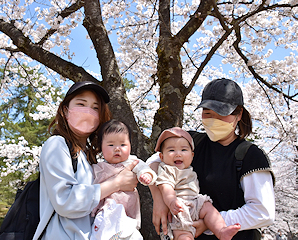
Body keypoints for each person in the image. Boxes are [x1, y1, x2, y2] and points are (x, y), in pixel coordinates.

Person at [147, 78, 275, 240]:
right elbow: (151, 163)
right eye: (208, 113)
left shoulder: (251, 155)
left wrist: (210, 223)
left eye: (221, 114)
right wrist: (159, 199)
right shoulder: (190, 142)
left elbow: (262, 212)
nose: (214, 120)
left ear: (239, 113)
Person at [32, 81, 139, 240]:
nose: (88, 111)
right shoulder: (57, 144)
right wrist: (117, 183)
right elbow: (65, 201)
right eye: (81, 104)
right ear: (65, 110)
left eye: (95, 108)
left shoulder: (89, 157)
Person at [154, 127, 240, 240]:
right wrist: (171, 201)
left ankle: (221, 230)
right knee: (184, 234)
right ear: (161, 157)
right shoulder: (167, 169)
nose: (178, 154)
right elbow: (166, 187)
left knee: (209, 209)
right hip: (179, 206)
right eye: (171, 150)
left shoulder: (189, 169)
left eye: (184, 150)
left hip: (195, 201)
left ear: (192, 155)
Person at [90, 119, 157, 240]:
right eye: (111, 145)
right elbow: (91, 191)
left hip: (127, 216)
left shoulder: (132, 162)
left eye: (123, 144)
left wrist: (146, 175)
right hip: (106, 216)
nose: (117, 149)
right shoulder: (97, 168)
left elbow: (144, 168)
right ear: (101, 147)